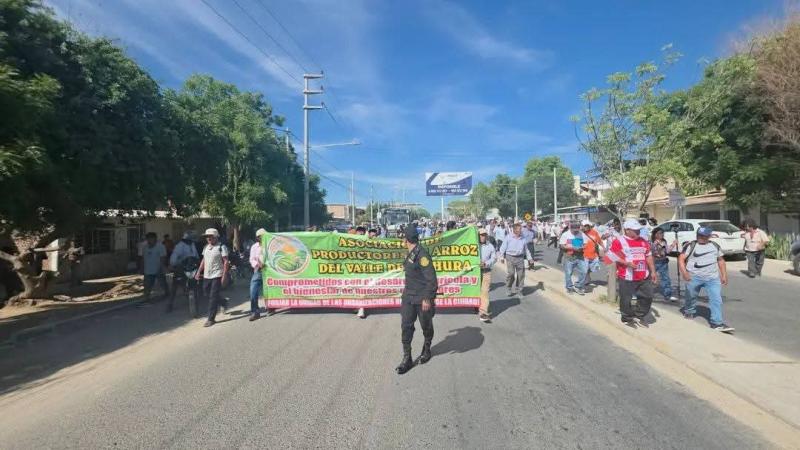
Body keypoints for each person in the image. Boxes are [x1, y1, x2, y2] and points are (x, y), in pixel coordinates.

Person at [396, 226, 438, 375]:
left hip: (422, 298)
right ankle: (407, 358)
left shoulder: (422, 255)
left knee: (426, 326)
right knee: (406, 326)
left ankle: (426, 349)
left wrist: (427, 298)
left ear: (406, 239)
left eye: (403, 237)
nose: (402, 240)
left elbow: (432, 280)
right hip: (408, 297)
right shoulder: (411, 253)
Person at [679, 227, 734, 333]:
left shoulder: (715, 246)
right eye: (699, 235)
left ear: (709, 236)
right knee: (691, 296)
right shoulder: (690, 245)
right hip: (694, 277)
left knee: (716, 299)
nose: (700, 237)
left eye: (703, 236)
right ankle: (689, 311)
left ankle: (717, 323)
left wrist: (724, 275)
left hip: (712, 278)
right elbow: (681, 259)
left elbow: (721, 260)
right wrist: (684, 273)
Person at [607, 219, 658, 327]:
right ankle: (627, 317)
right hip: (627, 276)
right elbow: (611, 256)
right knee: (626, 299)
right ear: (627, 230)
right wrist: (626, 263)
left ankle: (640, 315)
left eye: (639, 230)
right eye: (635, 230)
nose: (638, 232)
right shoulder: (619, 241)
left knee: (648, 296)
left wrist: (653, 271)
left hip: (644, 275)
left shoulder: (643, 241)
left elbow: (648, 256)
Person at [196, 228, 230, 328]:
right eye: (207, 237)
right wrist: (199, 271)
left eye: (210, 236)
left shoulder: (221, 247)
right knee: (206, 293)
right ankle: (223, 302)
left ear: (216, 237)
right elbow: (204, 260)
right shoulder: (206, 247)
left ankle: (211, 319)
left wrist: (224, 276)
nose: (208, 238)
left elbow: (226, 262)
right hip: (207, 275)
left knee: (213, 297)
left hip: (217, 275)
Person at [166, 231, 200, 313]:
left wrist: (198, 261)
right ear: (186, 239)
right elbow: (173, 259)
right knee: (175, 286)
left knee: (195, 283)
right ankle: (170, 304)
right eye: (191, 239)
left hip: (192, 268)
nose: (192, 241)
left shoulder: (192, 245)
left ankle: (194, 302)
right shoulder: (179, 246)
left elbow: (196, 255)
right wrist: (174, 265)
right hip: (181, 268)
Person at [499, 223, 533, 297]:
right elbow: (502, 248)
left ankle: (519, 290)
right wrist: (501, 257)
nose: (521, 230)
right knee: (511, 273)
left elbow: (526, 250)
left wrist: (530, 258)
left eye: (521, 229)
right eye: (519, 229)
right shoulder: (508, 237)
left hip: (520, 258)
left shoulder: (523, 238)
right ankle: (508, 287)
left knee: (521, 275)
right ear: (514, 230)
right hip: (510, 257)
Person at [559, 222, 589, 295]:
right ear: (570, 228)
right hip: (569, 255)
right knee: (568, 273)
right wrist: (572, 248)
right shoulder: (565, 234)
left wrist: (583, 247)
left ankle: (578, 286)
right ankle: (569, 287)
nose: (576, 231)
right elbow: (562, 245)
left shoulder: (582, 234)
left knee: (584, 271)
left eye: (577, 230)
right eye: (574, 230)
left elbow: (586, 243)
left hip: (580, 255)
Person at [139, 232, 168, 303]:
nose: (149, 240)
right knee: (147, 285)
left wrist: (162, 268)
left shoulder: (160, 246)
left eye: (151, 238)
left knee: (163, 283)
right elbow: (143, 258)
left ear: (155, 238)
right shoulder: (145, 247)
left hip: (158, 269)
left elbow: (163, 258)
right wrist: (141, 268)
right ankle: (146, 297)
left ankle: (167, 294)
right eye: (148, 238)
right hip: (148, 270)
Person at [651, 228, 678, 302]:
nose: (661, 234)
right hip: (654, 262)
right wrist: (655, 245)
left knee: (666, 279)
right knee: (649, 278)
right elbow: (652, 252)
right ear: (655, 234)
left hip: (663, 262)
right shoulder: (652, 242)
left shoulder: (664, 241)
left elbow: (667, 251)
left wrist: (673, 244)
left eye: (662, 233)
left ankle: (667, 295)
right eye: (660, 233)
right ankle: (644, 293)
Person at [247, 228, 267, 321]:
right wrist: (257, 264)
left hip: (270, 271)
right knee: (253, 291)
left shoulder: (270, 245)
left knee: (271, 290)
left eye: (264, 236)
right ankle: (255, 312)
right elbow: (251, 259)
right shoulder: (254, 247)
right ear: (257, 238)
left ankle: (272, 306)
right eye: (261, 236)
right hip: (258, 270)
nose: (263, 238)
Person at [478, 228, 496, 323]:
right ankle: (476, 305)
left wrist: (486, 263)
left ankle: (483, 313)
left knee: (485, 291)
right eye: (481, 235)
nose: (483, 237)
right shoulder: (473, 245)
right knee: (476, 291)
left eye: (484, 235)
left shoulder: (490, 246)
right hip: (475, 272)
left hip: (486, 271)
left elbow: (494, 258)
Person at [581, 220, 605, 286]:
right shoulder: (580, 233)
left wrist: (604, 247)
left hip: (594, 255)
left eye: (586, 226)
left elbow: (599, 241)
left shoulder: (594, 233)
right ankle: (586, 278)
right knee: (585, 269)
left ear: (589, 226)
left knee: (593, 268)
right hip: (584, 255)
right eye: (584, 226)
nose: (585, 227)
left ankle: (588, 275)